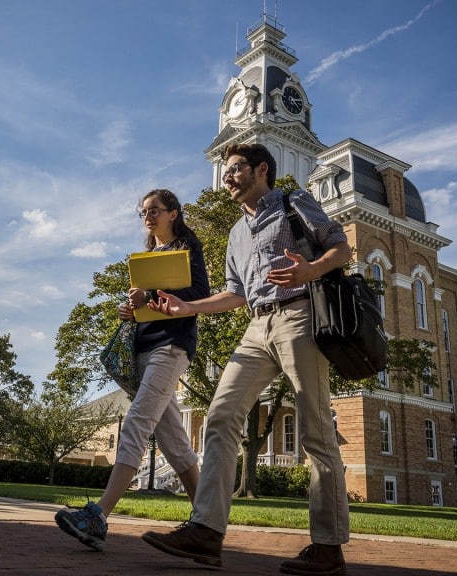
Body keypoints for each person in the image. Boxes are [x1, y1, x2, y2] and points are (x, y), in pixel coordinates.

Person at [141, 143, 352, 576]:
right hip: (256, 326)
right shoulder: (236, 232)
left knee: (315, 430)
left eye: (235, 169)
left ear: (261, 170)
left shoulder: (294, 203)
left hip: (300, 315)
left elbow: (340, 247)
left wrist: (311, 270)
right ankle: (207, 531)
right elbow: (234, 293)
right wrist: (188, 308)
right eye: (225, 170)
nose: (228, 177)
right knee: (220, 416)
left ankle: (328, 548)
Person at [55, 188, 210, 552]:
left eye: (155, 210)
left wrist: (151, 295)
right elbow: (146, 304)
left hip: (171, 347)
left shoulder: (186, 249)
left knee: (137, 422)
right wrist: (131, 311)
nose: (147, 217)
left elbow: (200, 295)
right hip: (142, 346)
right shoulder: (149, 255)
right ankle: (208, 523)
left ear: (173, 213)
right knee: (175, 445)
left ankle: (98, 516)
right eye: (143, 212)